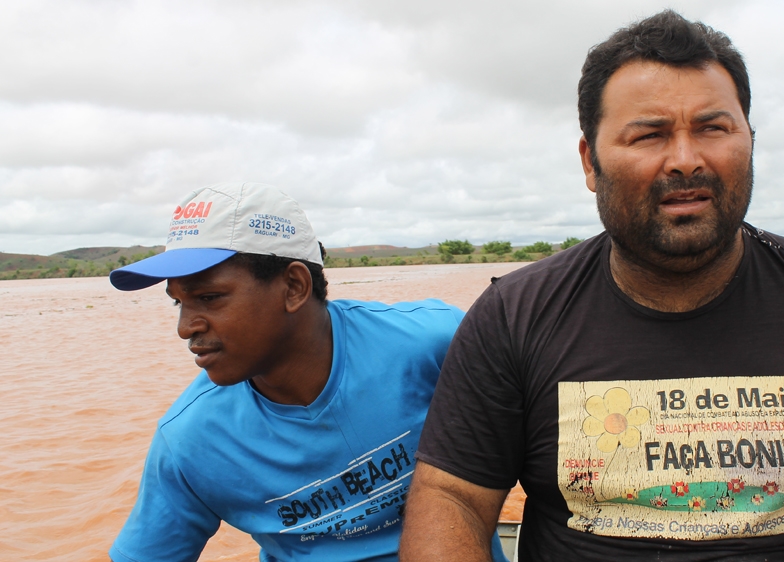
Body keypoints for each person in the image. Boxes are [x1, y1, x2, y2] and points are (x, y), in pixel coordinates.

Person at [399, 10, 784, 562]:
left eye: (713, 128)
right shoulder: (514, 316)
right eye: (649, 134)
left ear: (750, 142)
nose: (686, 159)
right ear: (590, 162)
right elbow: (455, 497)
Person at [108, 182, 507, 561]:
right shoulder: (191, 439)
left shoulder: (436, 343)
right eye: (178, 302)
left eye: (209, 297)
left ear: (295, 286)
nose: (185, 328)